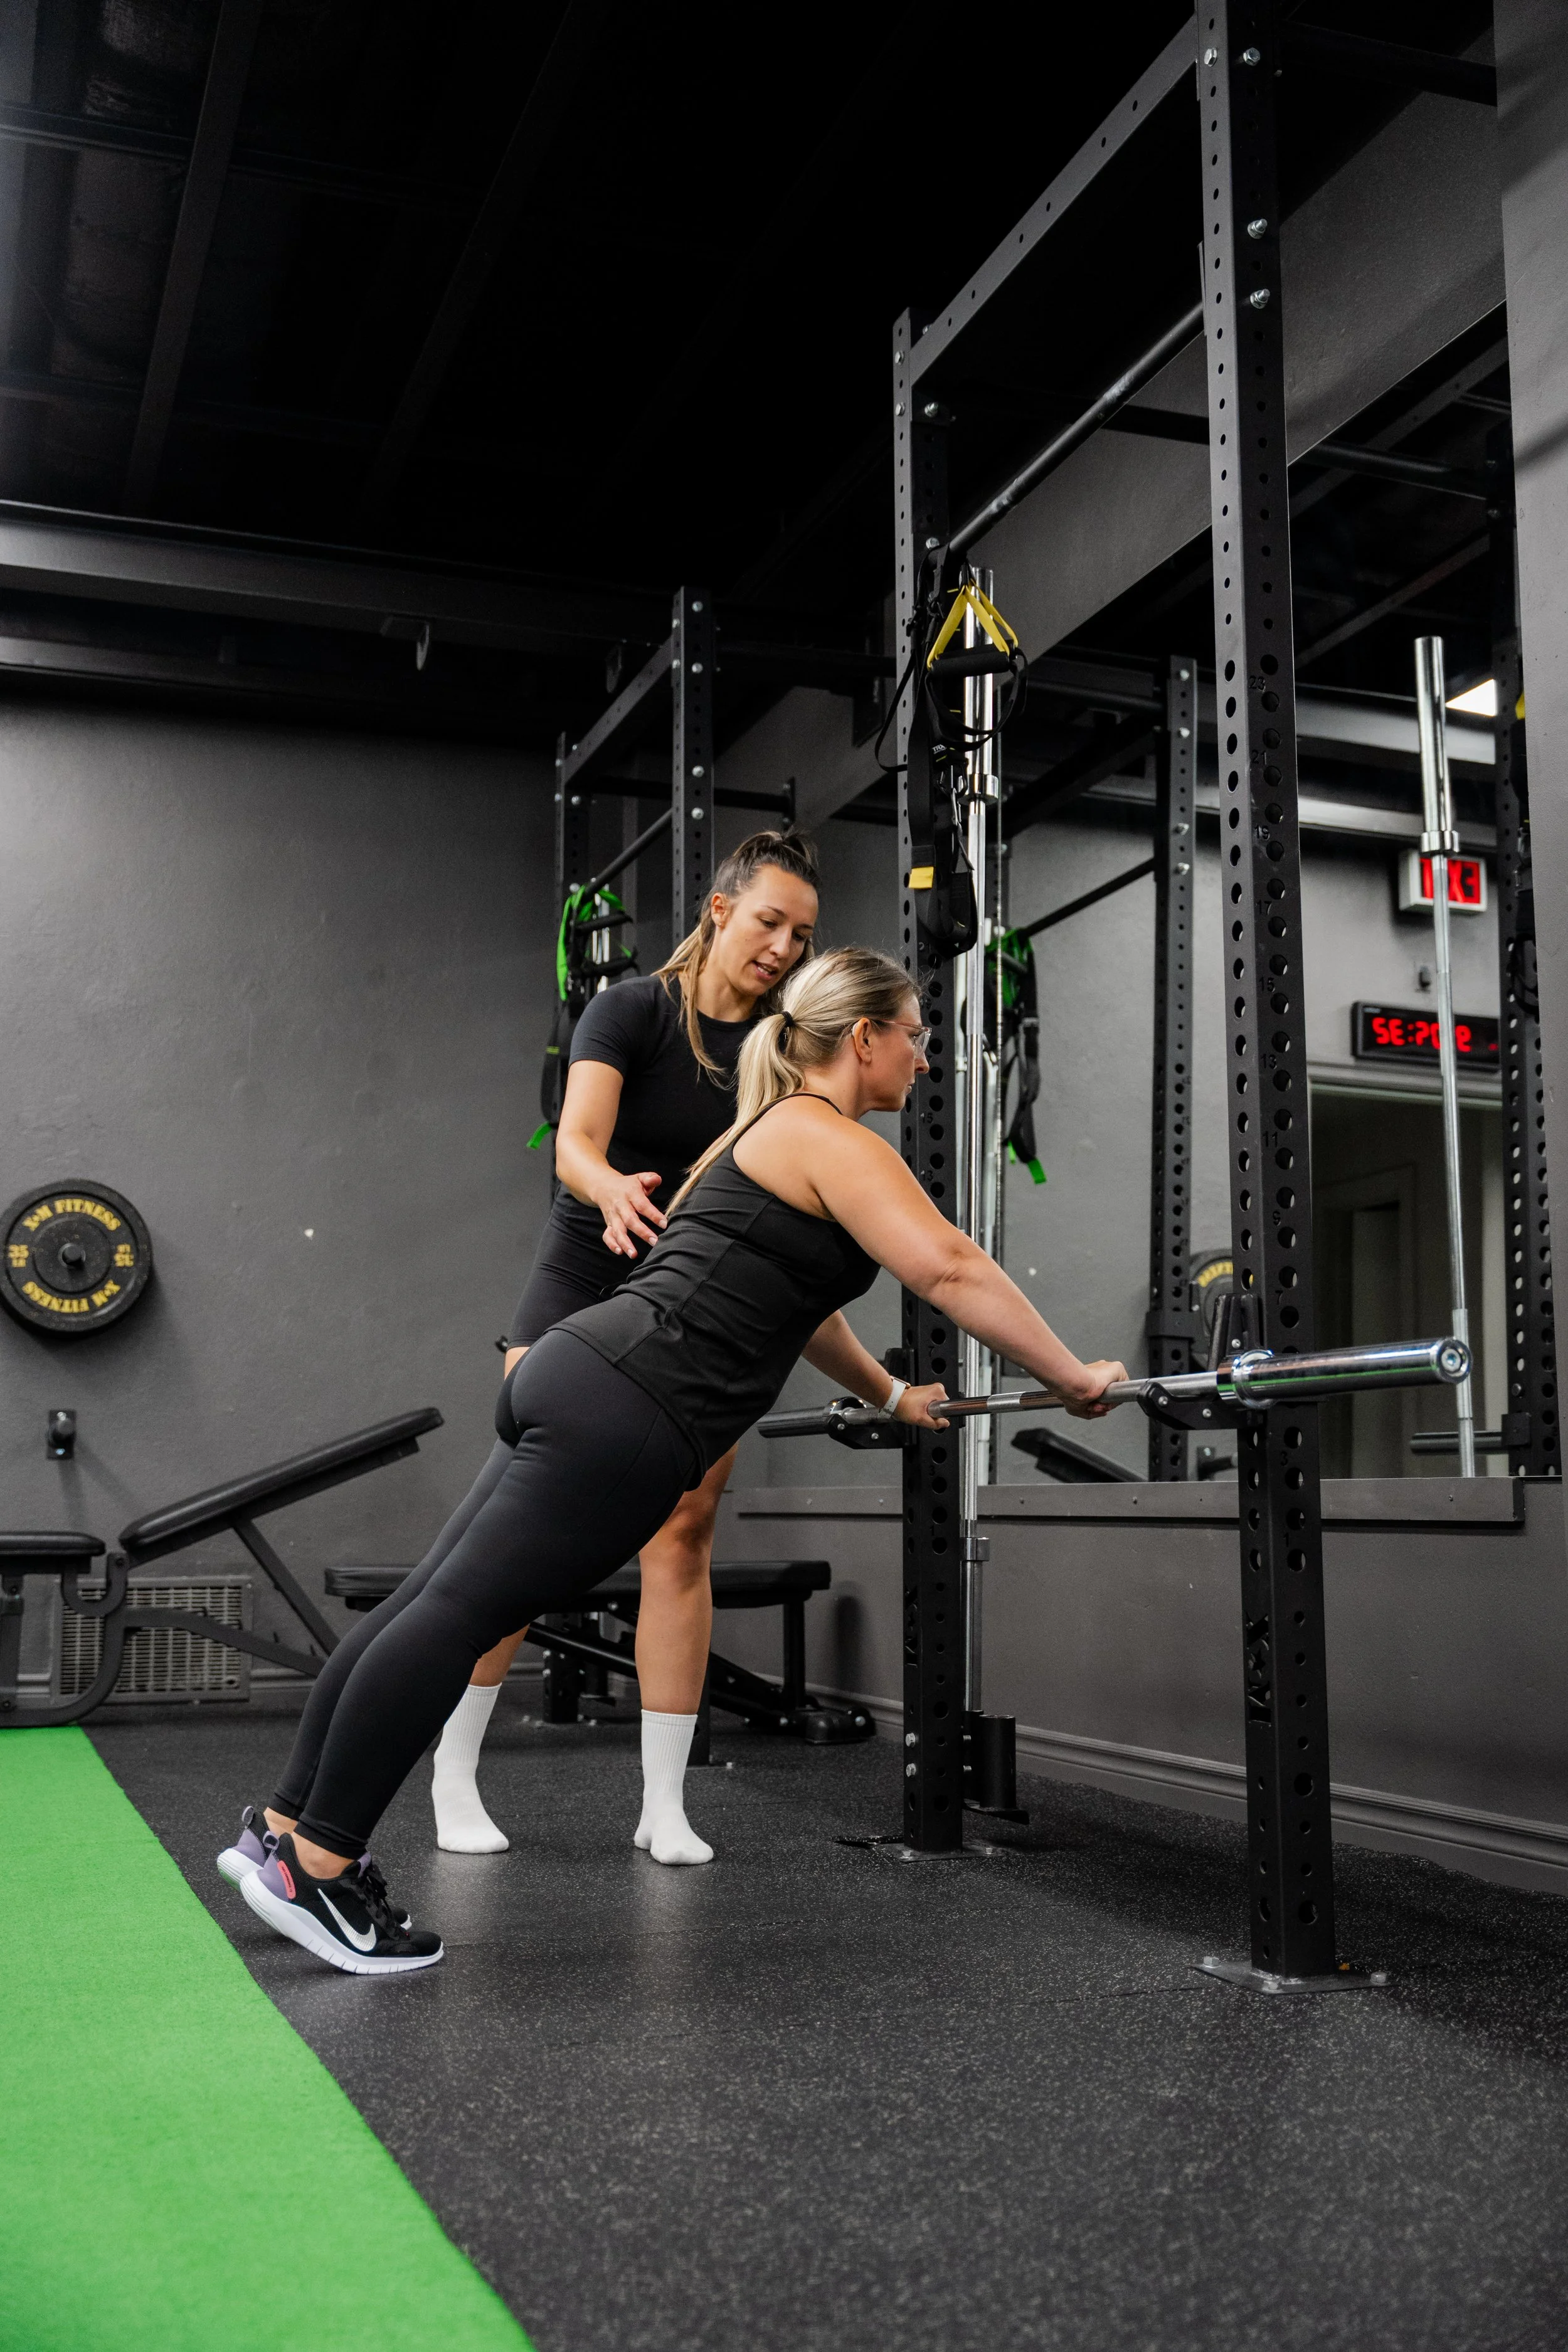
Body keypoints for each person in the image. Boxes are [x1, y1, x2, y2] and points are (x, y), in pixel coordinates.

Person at [235, 946, 1127, 1973]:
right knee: (455, 1617)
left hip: (578, 1367)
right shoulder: (829, 1135)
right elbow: (949, 1265)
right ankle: (320, 1862)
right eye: (918, 1037)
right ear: (865, 1037)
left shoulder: (759, 1131)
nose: (925, 1060)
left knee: (430, 1601)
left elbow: (801, 1310)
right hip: (628, 1410)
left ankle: (285, 1823)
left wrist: (888, 1393)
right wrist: (1067, 1374)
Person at [215, 830, 820, 1899]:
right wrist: (613, 1189)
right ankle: (453, 1774)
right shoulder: (632, 1009)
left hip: (687, 1303)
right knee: (511, 1552)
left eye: (803, 933)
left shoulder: (779, 1047)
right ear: (721, 909)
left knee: (685, 1533)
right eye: (769, 918)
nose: (783, 944)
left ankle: (664, 1803)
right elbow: (574, 1141)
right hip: (584, 1275)